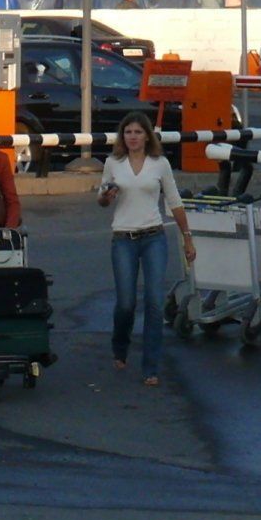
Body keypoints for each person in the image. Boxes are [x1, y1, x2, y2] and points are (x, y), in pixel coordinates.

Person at [97, 113, 195, 386]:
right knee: (126, 303)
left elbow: (174, 201)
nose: (133, 137)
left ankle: (150, 367)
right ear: (122, 136)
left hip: (154, 237)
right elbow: (101, 199)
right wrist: (106, 196)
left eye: (138, 132)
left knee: (153, 302)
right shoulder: (113, 163)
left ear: (147, 136)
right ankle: (120, 345)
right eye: (128, 132)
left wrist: (187, 237)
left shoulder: (159, 164)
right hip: (123, 238)